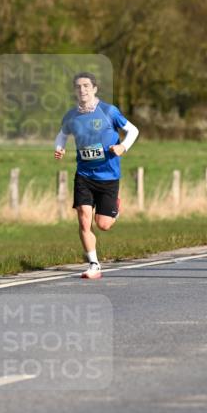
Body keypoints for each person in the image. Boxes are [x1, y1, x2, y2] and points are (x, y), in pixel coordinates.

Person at [54, 72, 139, 279]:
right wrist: (60, 148)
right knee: (84, 219)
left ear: (94, 89)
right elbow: (62, 134)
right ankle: (94, 264)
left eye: (85, 86)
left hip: (108, 175)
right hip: (84, 174)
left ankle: (114, 207)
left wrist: (123, 147)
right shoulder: (71, 116)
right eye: (78, 86)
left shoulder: (109, 111)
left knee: (103, 225)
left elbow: (133, 130)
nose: (82, 90)